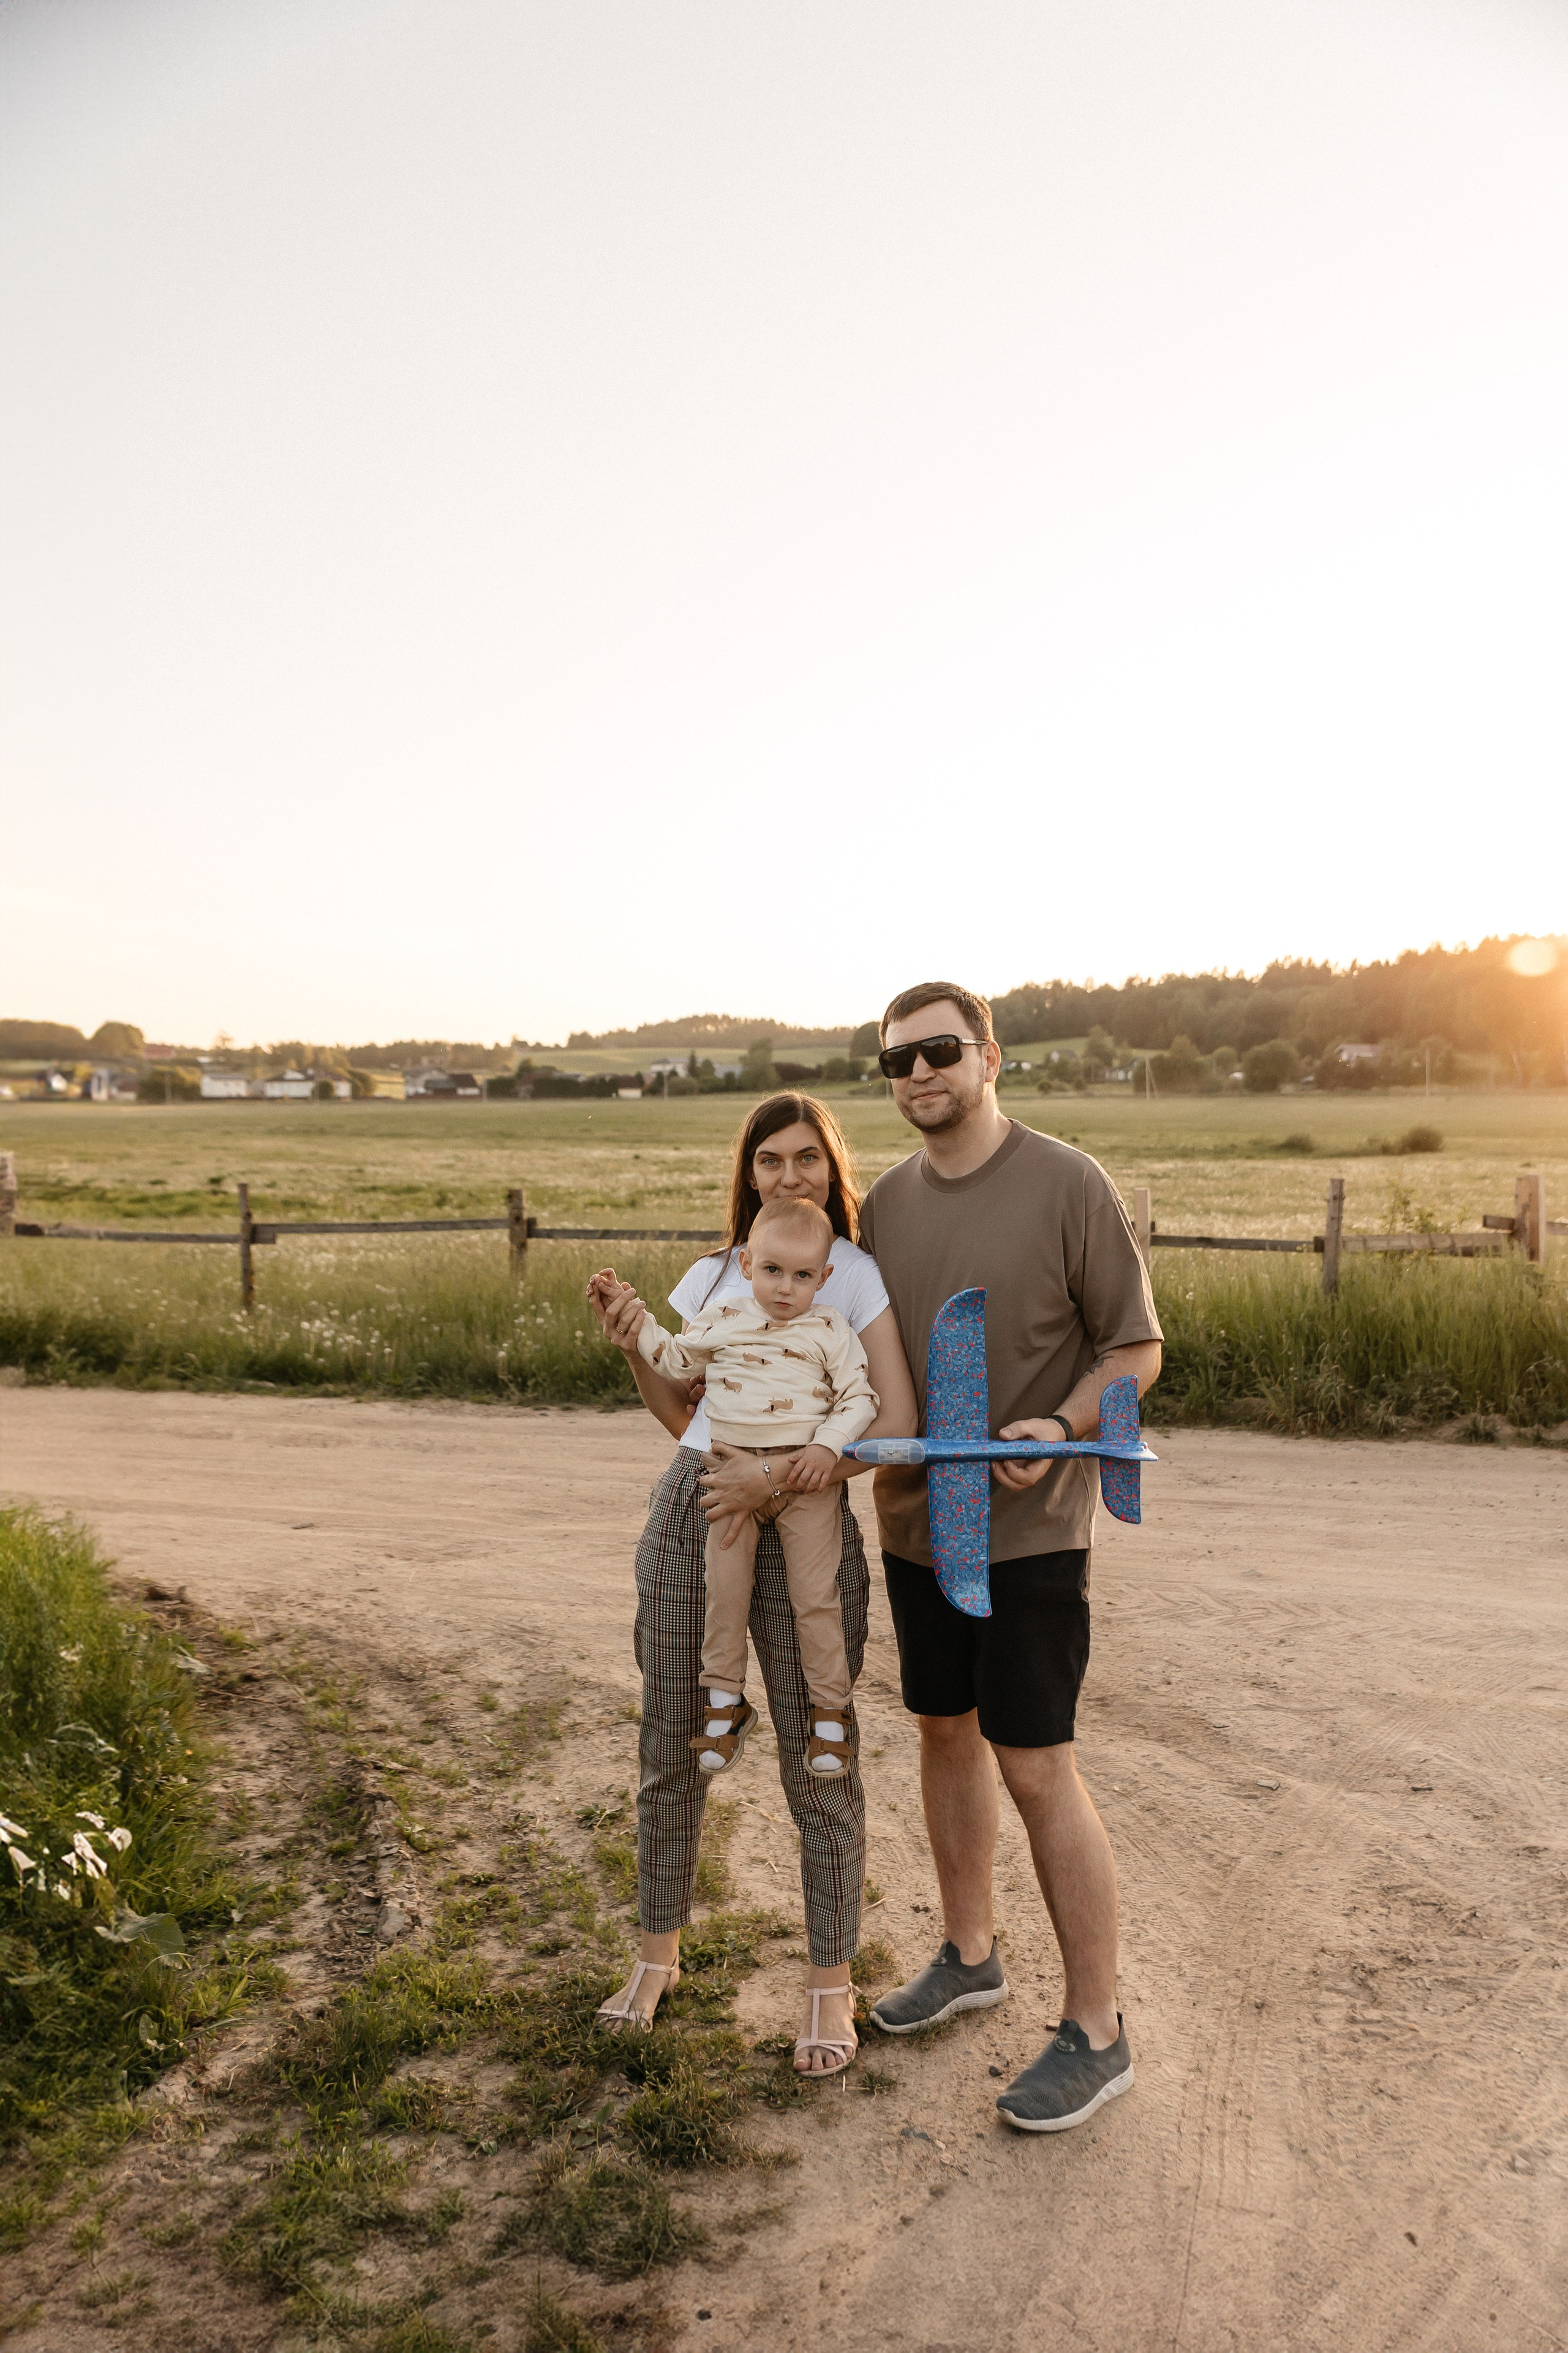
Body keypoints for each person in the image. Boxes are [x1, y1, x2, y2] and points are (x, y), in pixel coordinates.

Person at [854, 981, 1163, 2134]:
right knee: (943, 1735)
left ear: (990, 1057)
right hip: (915, 1525)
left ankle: (1097, 2030)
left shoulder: (1066, 1182)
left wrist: (1065, 1423)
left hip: (1032, 1531)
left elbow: (1138, 1347)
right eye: (897, 1061)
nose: (919, 1073)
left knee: (1035, 1765)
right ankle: (971, 1954)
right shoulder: (881, 1207)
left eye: (940, 1050)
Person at [586, 1093, 917, 2077]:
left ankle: (828, 1984)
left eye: (807, 1158)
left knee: (822, 1744)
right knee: (672, 1733)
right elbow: (680, 1405)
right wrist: (633, 1341)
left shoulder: (850, 1273)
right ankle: (655, 1958)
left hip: (804, 1495)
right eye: (769, 1159)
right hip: (701, 1494)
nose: (788, 1176)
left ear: (833, 1166)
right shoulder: (714, 1273)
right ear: (748, 1170)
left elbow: (890, 1415)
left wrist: (782, 1475)